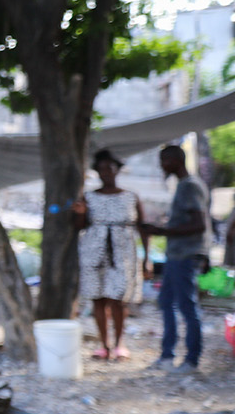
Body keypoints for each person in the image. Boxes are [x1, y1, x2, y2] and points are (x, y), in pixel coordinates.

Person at [139, 144, 208, 371]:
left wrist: (162, 231)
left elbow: (198, 225)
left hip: (185, 255)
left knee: (187, 306)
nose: (162, 166)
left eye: (164, 161)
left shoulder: (190, 186)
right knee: (166, 302)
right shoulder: (183, 185)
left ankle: (191, 360)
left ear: (176, 160)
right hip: (176, 254)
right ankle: (167, 356)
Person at [73, 148, 143, 360]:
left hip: (123, 253)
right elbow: (79, 226)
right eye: (101, 169)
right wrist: (80, 213)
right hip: (94, 252)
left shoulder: (131, 197)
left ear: (117, 170)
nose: (106, 172)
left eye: (109, 168)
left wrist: (147, 258)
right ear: (97, 171)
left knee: (119, 298)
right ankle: (104, 344)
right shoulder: (89, 197)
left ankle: (120, 342)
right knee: (99, 298)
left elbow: (143, 228)